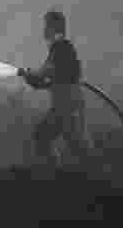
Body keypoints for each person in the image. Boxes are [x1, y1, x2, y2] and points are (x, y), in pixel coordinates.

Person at [17, 10, 90, 171]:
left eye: (46, 26)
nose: (43, 30)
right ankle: (60, 173)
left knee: (45, 137)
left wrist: (28, 74)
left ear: (54, 28)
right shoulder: (60, 49)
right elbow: (46, 81)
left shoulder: (61, 48)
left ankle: (57, 173)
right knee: (69, 143)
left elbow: (44, 76)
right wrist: (29, 76)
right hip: (66, 107)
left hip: (67, 108)